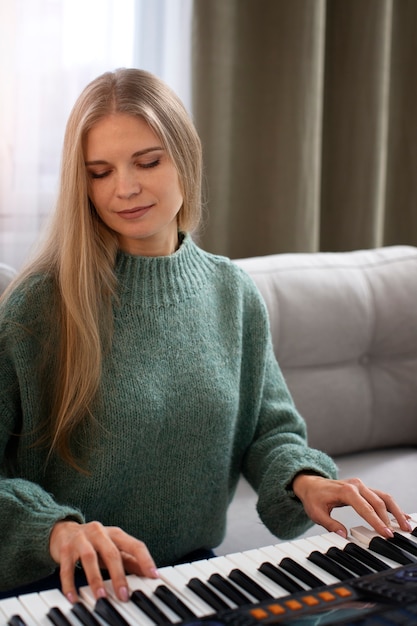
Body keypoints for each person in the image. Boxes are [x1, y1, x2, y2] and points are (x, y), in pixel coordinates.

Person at [0, 68, 411, 604]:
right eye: (99, 172)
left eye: (147, 162)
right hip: (62, 592)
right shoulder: (38, 309)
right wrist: (57, 531)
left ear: (185, 159)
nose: (124, 188)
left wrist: (306, 481)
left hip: (194, 581)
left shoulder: (231, 292)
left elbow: (269, 433)